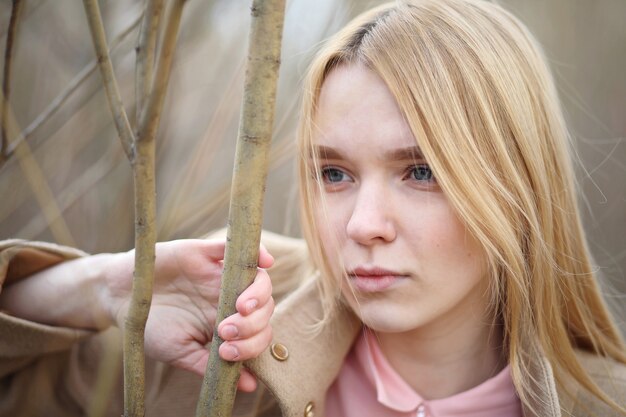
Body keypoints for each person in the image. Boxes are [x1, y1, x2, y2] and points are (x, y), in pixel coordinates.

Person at [1, 0, 625, 416]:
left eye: (421, 171)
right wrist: (105, 286)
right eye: (334, 172)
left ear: (517, 184)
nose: (362, 225)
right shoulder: (233, 334)